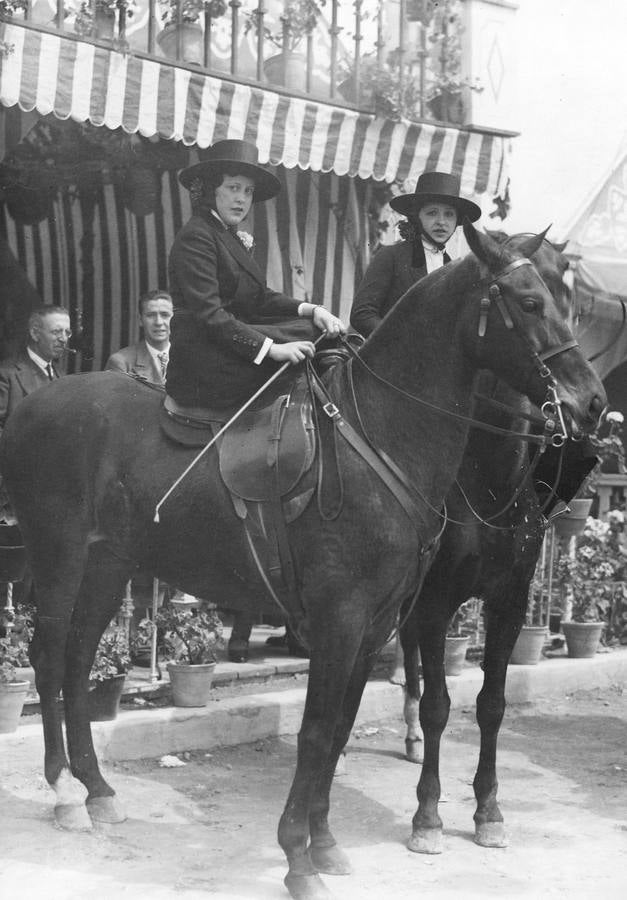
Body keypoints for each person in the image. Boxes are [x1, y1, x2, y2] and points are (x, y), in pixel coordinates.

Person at [166, 138, 345, 410]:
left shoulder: (225, 235)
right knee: (307, 346)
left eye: (248, 191)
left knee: (318, 331)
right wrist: (271, 349)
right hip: (203, 356)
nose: (242, 198)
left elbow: (259, 299)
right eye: (233, 188)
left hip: (226, 345)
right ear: (211, 190)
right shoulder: (197, 237)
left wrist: (313, 310)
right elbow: (209, 315)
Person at [350, 171, 481, 338]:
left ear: (456, 222)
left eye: (449, 214)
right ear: (416, 216)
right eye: (432, 212)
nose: (441, 221)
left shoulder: (453, 269)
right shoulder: (391, 257)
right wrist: (403, 341)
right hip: (391, 358)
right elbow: (362, 314)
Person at [0, 304, 72, 439]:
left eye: (67, 332)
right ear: (35, 333)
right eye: (56, 332)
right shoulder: (6, 374)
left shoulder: (61, 374)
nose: (63, 339)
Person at [105, 290, 173, 385]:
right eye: (151, 315)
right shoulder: (121, 362)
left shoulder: (189, 358)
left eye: (165, 315)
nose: (159, 322)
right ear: (140, 320)